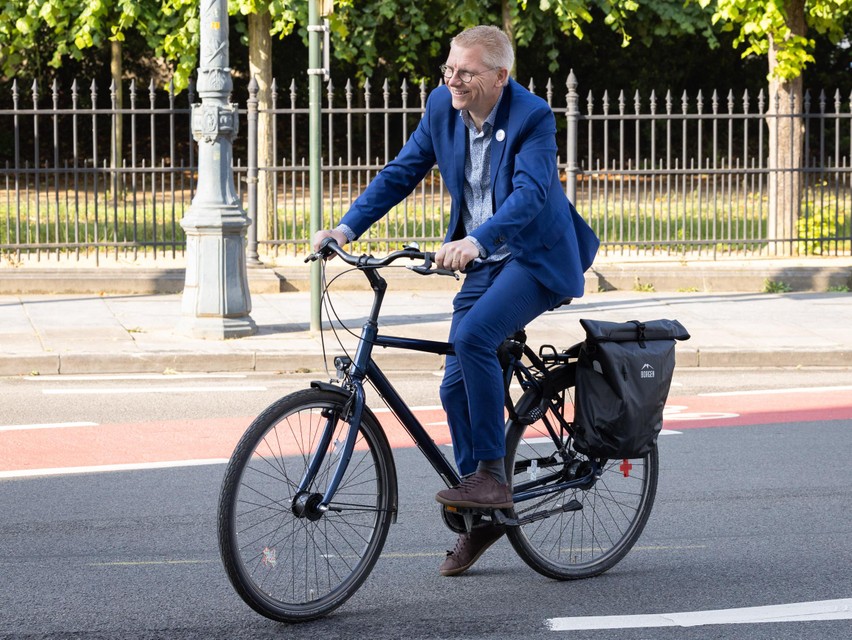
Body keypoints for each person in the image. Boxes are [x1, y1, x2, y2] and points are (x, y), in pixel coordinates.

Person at [312, 25, 599, 577]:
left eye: (465, 73)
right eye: (448, 70)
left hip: (534, 256)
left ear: (499, 77)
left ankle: (492, 473)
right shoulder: (442, 107)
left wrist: (477, 239)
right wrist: (346, 229)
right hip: (485, 260)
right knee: (453, 384)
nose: (453, 81)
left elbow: (533, 194)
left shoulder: (533, 116)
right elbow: (401, 172)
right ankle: (481, 511)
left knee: (474, 338)